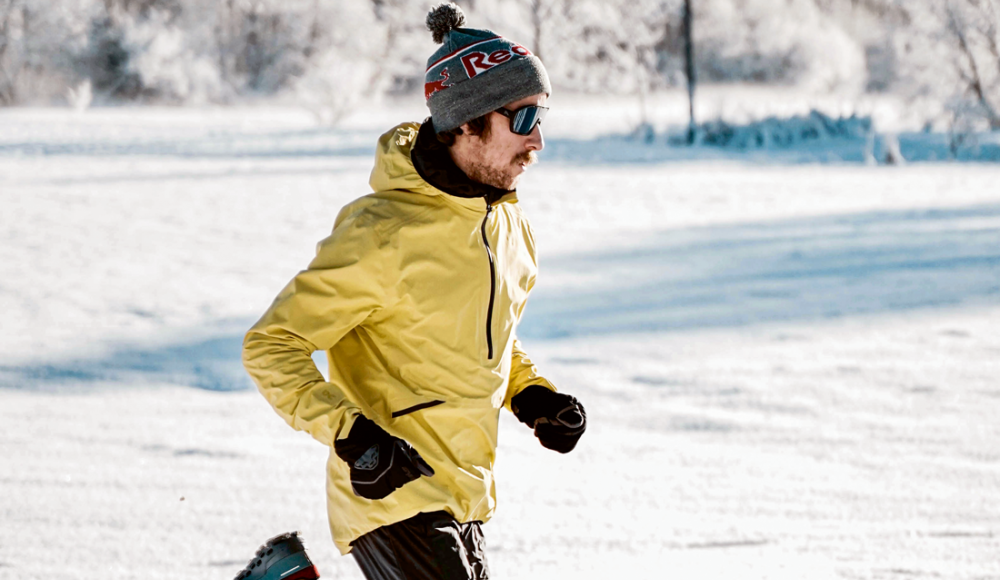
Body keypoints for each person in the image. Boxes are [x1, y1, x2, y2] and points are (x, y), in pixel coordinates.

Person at [241, 4, 586, 579]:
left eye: (541, 117)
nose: (539, 142)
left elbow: (485, 340)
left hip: (464, 489)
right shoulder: (383, 232)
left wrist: (531, 395)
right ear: (467, 122)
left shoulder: (508, 227)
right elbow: (272, 345)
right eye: (523, 120)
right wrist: (352, 435)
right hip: (394, 495)